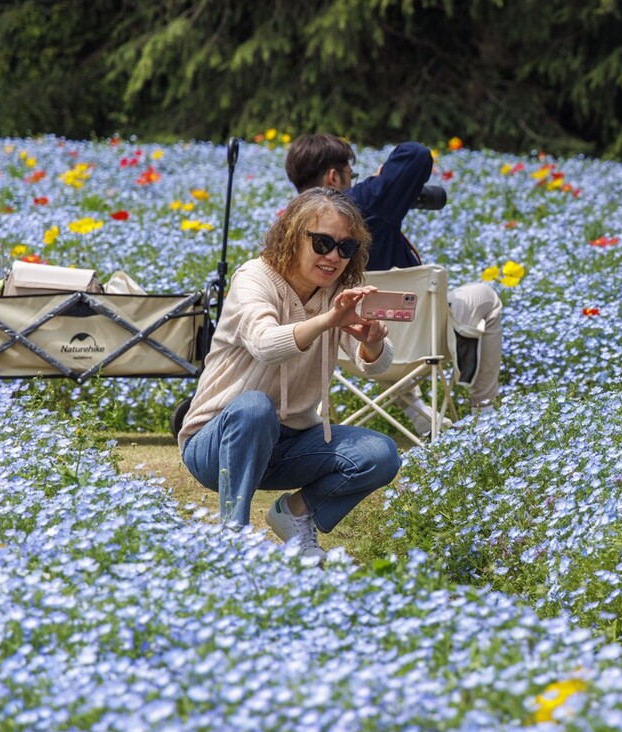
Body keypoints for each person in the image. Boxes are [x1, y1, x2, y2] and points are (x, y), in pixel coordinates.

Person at [179, 188, 402, 561]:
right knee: (253, 407)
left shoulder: (337, 292)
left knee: (381, 454)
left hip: (291, 443)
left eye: (345, 248)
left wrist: (372, 343)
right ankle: (233, 539)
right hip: (216, 442)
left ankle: (297, 512)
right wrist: (327, 320)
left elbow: (377, 366)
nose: (333, 256)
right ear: (292, 236)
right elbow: (265, 343)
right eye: (322, 242)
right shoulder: (254, 279)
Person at [284, 134, 502, 435]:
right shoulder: (363, 204)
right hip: (408, 342)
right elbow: (417, 153)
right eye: (351, 176)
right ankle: (484, 412)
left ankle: (416, 411)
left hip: (343, 347)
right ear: (334, 176)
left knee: (374, 308)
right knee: (486, 297)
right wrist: (379, 179)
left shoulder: (290, 227)